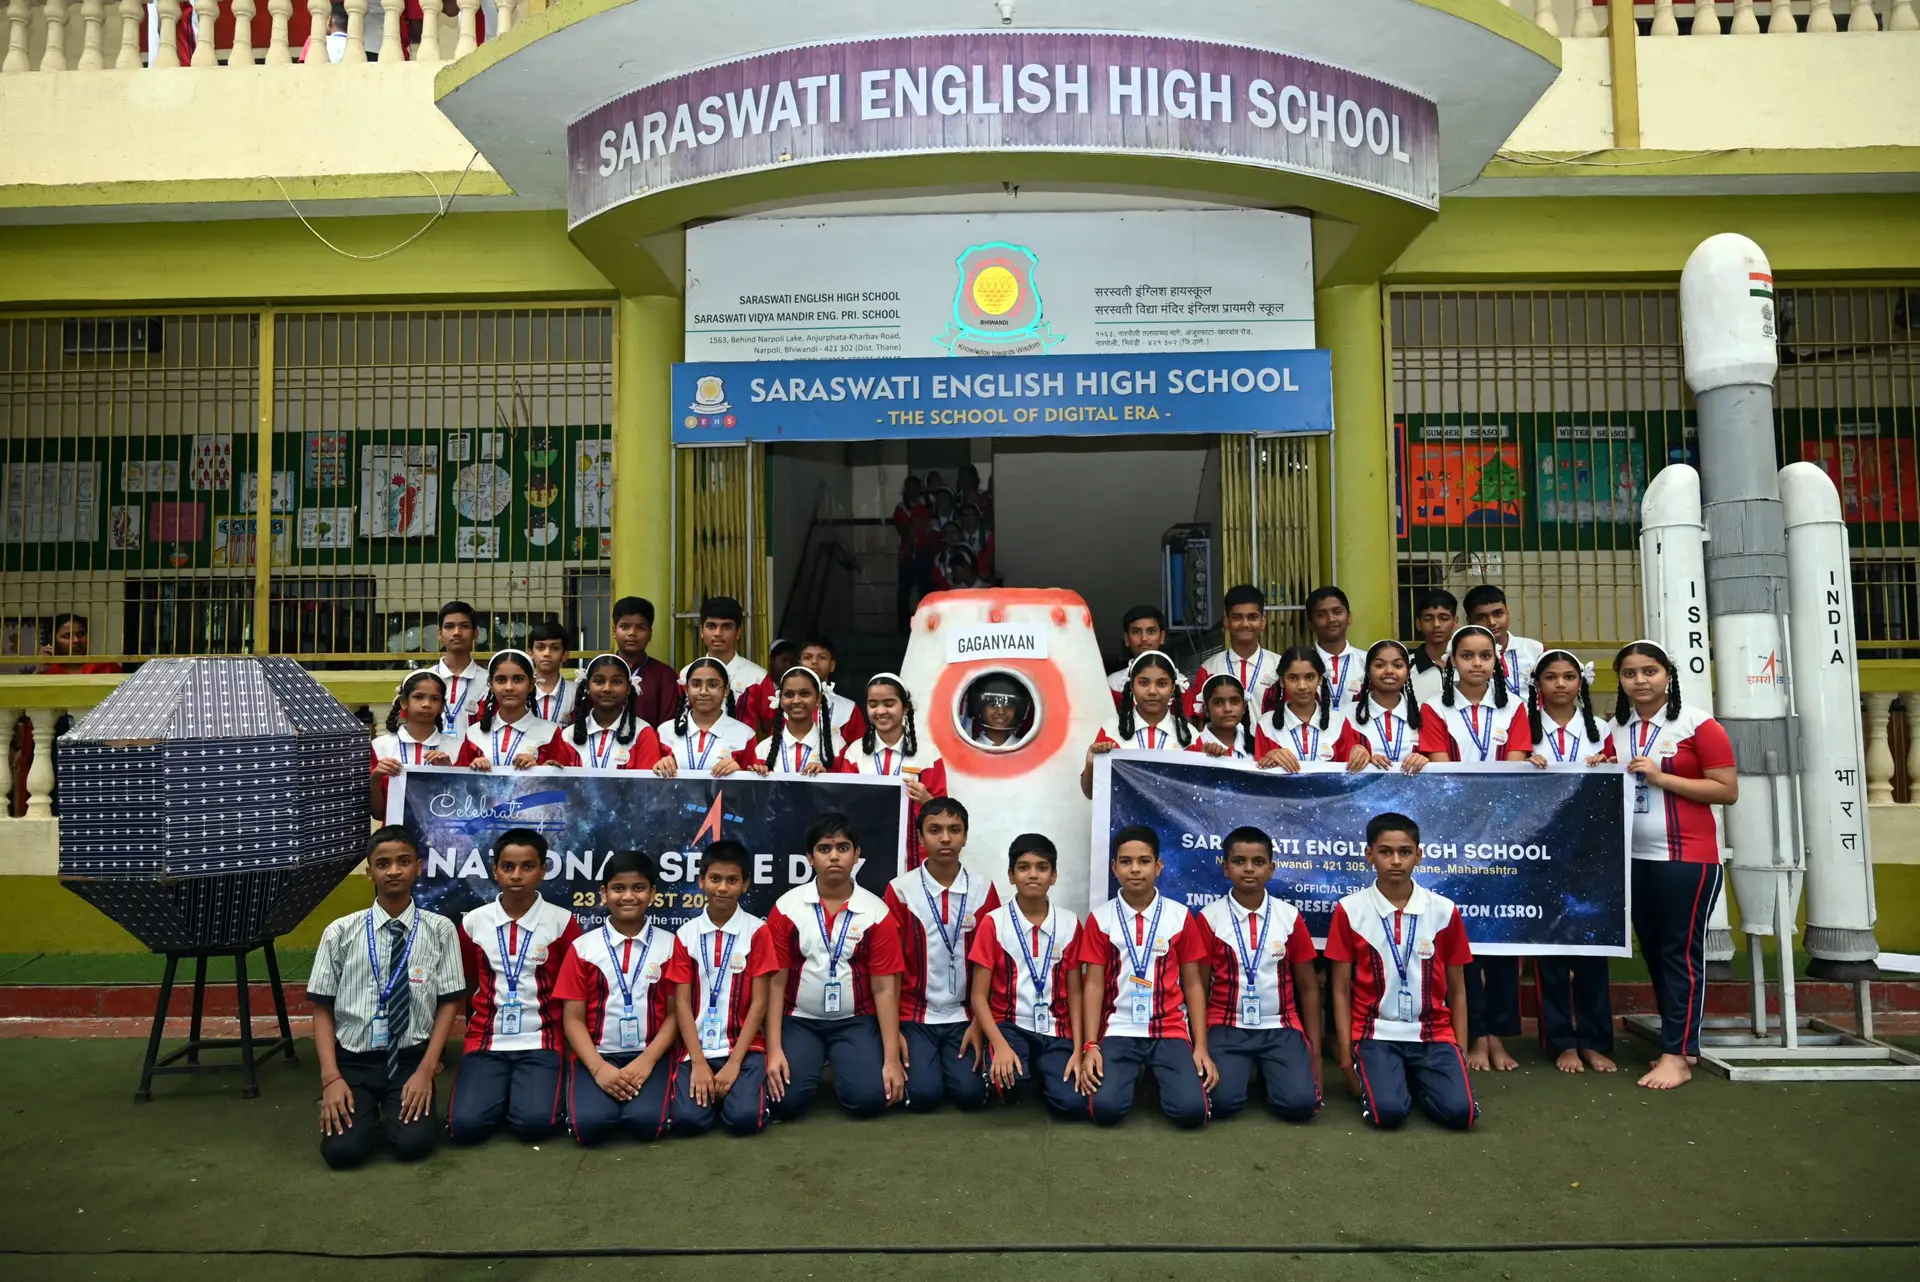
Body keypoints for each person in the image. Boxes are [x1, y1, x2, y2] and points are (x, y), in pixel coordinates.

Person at [1596, 640, 1737, 1091]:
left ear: (1668, 675)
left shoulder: (1698, 724)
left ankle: (1678, 1055)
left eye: (1650, 671)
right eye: (1630, 673)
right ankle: (1679, 1044)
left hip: (1686, 858)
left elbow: (1726, 790)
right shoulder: (1616, 729)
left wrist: (1661, 777)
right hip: (1633, 859)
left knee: (1679, 953)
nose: (1640, 680)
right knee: (1655, 951)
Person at [310, 826, 466, 1169]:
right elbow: (322, 1008)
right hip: (354, 1060)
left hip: (410, 1060)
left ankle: (393, 1111)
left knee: (414, 1144)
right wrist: (331, 1078)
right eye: (383, 864)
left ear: (418, 867)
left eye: (403, 861)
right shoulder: (340, 932)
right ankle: (362, 1112)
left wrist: (426, 1069)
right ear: (370, 873)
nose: (393, 870)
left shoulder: (440, 930)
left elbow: (449, 1002)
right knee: (342, 1153)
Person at [1414, 624, 1532, 1072]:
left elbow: (1514, 770)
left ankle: (1497, 1037)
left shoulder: (1514, 707)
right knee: (1463, 942)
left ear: (1496, 661)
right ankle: (1472, 1034)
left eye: (1485, 655)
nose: (1477, 663)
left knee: (1500, 941)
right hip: (1455, 837)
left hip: (1502, 838)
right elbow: (1446, 772)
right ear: (1452, 661)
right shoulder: (1434, 707)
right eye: (1467, 655)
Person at [1325, 813, 1478, 1131]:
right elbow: (1339, 990)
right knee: (1388, 1114)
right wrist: (1345, 1056)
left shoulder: (1444, 910)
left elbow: (1458, 989)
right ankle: (1394, 1078)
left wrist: (1460, 1049)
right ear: (1370, 855)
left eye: (1405, 852)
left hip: (1433, 1033)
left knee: (1461, 1115)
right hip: (1374, 1033)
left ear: (1418, 856)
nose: (1396, 860)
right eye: (1385, 851)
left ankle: (1414, 1078)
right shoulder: (1350, 910)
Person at [764, 813, 908, 1120]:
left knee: (870, 1100)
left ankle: (851, 1068)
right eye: (824, 849)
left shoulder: (877, 913)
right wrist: (773, 1049)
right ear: (810, 857)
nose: (833, 856)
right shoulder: (786, 909)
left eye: (842, 848)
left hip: (855, 1021)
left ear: (856, 855)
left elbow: (885, 989)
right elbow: (775, 983)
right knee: (783, 1103)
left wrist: (891, 1059)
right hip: (799, 1020)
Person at [1074, 825, 1214, 1128]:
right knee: (1105, 1110)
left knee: (1191, 1112)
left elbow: (1193, 985)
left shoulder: (1180, 917)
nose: (1135, 869)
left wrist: (1200, 1046)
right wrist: (1090, 1045)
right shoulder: (1100, 919)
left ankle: (1156, 1076)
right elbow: (1093, 985)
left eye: (1144, 861)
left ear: (1158, 866)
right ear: (1114, 868)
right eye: (1126, 862)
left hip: (1169, 1028)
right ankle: (1136, 1075)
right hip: (1119, 1027)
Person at [448, 829, 581, 1144]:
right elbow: (467, 981)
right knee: (465, 1127)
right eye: (508, 867)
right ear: (495, 870)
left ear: (543, 870)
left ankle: (525, 1092)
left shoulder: (562, 922)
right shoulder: (473, 923)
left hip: (542, 1041)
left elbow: (574, 990)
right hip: (486, 1042)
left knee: (534, 1125)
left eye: (527, 866)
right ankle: (497, 1090)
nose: (517, 875)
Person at [1526, 650, 1619, 1074]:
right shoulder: (1525, 729)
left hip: (1593, 850)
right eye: (1551, 677)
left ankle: (1595, 1040)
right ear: (1538, 684)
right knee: (1550, 949)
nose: (1560, 684)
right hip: (1543, 850)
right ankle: (1561, 1040)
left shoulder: (1603, 730)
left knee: (1593, 946)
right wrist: (1523, 763)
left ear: (1581, 682)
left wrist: (1608, 764)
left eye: (1568, 676)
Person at [556, 850, 682, 1143]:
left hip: (650, 1055)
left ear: (653, 893)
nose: (628, 896)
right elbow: (572, 1020)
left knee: (647, 1124)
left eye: (638, 888)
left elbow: (676, 1014)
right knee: (589, 1127)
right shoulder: (583, 948)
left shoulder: (671, 946)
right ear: (604, 893)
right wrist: (599, 1068)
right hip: (597, 1054)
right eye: (618, 888)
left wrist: (647, 1061)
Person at [1198, 827, 1322, 1122]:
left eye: (1258, 862)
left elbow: (1309, 987)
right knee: (1220, 1103)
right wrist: (1199, 1044)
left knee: (1300, 1105)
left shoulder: (1289, 917)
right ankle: (1249, 1071)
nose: (1249, 869)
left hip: (1280, 1024)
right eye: (1239, 861)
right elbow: (1197, 987)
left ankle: (1275, 1072)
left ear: (1271, 868)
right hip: (1226, 1024)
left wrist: (1315, 1052)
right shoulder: (1209, 918)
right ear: (1225, 867)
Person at [884, 798, 999, 1112]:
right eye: (935, 830)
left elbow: (993, 965)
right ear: (920, 838)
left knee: (970, 1096)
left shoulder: (983, 890)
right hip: (914, 1015)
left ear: (965, 836)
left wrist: (980, 1024)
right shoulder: (900, 891)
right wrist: (894, 1032)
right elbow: (889, 969)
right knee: (923, 1096)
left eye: (954, 830)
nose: (945, 838)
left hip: (965, 1016)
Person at [969, 833, 1088, 1116]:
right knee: (1009, 1086)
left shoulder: (1070, 923)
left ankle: (1045, 1075)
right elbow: (978, 996)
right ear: (1011, 875)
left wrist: (1078, 1049)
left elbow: (1075, 992)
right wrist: (998, 1044)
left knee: (1073, 1105)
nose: (1033, 875)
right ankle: (1020, 1070)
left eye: (1042, 868)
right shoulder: (993, 922)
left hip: (1057, 1029)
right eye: (1023, 867)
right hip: (1010, 1026)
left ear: (1053, 876)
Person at [667, 841, 777, 1136]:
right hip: (697, 1048)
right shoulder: (685, 935)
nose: (723, 888)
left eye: (732, 880)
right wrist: (698, 1062)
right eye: (715, 879)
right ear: (701, 881)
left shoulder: (757, 931)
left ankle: (740, 1095)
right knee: (688, 1122)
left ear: (745, 885)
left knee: (744, 1120)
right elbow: (682, 1004)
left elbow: (760, 1002)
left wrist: (734, 1062)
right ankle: (712, 1094)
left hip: (744, 1048)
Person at [833, 674, 947, 870]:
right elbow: (845, 805)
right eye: (873, 704)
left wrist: (927, 800)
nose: (880, 711)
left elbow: (945, 812)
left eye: (889, 703)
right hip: (867, 851)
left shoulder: (928, 753)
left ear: (905, 708)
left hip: (915, 856)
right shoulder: (855, 752)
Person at [1082, 651, 1192, 797]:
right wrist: (1091, 761)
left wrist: (1215, 756)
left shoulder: (1190, 735)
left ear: (1172, 688)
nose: (1152, 691)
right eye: (1143, 683)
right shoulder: (1110, 731)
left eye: (1162, 684)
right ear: (1132, 687)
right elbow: (1090, 793)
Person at [454, 649, 581, 771]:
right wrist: (474, 770)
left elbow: (568, 780)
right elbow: (459, 782)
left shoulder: (550, 733)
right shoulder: (474, 734)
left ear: (531, 684)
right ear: (490, 685)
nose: (509, 687)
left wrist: (540, 771)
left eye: (518, 679)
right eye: (501, 680)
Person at [369, 671, 460, 819]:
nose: (426, 704)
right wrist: (375, 779)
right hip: (394, 832)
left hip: (443, 831)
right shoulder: (380, 746)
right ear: (404, 702)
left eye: (435, 699)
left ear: (442, 706)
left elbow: (463, 806)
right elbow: (378, 814)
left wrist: (448, 772)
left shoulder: (457, 748)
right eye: (418, 697)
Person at [1186, 585, 1282, 721]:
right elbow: (1200, 718)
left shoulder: (1279, 666)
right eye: (1237, 617)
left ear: (1263, 622)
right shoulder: (1209, 668)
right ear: (1226, 621)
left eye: (1252, 617)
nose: (1245, 624)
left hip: (1269, 736)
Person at [652, 656, 759, 776]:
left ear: (726, 690)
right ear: (686, 689)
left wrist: (739, 773)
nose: (703, 692)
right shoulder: (664, 732)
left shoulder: (745, 735)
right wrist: (659, 766)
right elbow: (649, 780)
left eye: (712, 685)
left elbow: (753, 783)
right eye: (696, 684)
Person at [1334, 640, 1425, 774]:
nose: (1389, 671)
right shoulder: (1345, 715)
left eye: (1398, 665)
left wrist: (1425, 759)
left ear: (1408, 672)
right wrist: (1363, 759)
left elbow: (1438, 759)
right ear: (1368, 671)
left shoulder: (1423, 712)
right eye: (1379, 665)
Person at [567, 654, 666, 771]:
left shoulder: (643, 733)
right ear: (587, 687)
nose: (607, 688)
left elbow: (646, 781)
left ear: (628, 688)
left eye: (617, 682)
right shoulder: (568, 735)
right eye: (599, 681)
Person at [688, 596, 770, 732]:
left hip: (744, 745)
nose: (718, 633)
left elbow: (772, 727)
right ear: (702, 631)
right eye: (711, 626)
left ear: (738, 632)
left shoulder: (757, 677)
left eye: (726, 626)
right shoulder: (686, 675)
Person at [1264, 646, 1350, 771]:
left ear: (1320, 679)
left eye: (1309, 677)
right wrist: (1267, 757)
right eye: (1293, 678)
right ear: (1282, 681)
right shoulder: (1266, 725)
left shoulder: (1339, 722)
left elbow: (1350, 773)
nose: (1302, 686)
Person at [1465, 585, 1544, 704]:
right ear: (1469, 621)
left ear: (1507, 613)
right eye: (1482, 617)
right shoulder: (1464, 658)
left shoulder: (1535, 650)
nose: (1492, 622)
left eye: (1498, 614)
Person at [1185, 672, 1284, 765]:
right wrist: (1200, 760)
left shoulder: (1257, 746)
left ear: (1244, 707)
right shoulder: (1191, 748)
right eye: (1218, 702)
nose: (1227, 709)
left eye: (1235, 701)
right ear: (1206, 709)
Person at [756, 667, 839, 776]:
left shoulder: (837, 746)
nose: (796, 701)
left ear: (818, 698)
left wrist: (825, 777)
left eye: (804, 694)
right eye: (789, 695)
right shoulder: (763, 749)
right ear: (780, 699)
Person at [613, 597, 679, 730]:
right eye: (625, 627)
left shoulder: (665, 676)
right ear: (614, 632)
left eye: (641, 628)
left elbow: (667, 728)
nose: (632, 633)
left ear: (650, 634)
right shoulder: (598, 673)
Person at [430, 600, 489, 735]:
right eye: (449, 626)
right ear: (440, 634)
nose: (457, 632)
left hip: (474, 749)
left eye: (464, 626)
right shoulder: (426, 679)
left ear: (475, 633)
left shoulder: (488, 682)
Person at [798, 636, 867, 747]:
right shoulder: (786, 705)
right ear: (799, 664)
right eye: (807, 657)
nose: (814, 662)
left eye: (822, 657)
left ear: (832, 665)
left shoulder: (848, 708)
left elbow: (859, 750)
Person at [1106, 605, 1169, 709]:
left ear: (1162, 637)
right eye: (1136, 632)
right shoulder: (1113, 683)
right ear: (1127, 639)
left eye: (1151, 631)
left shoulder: (1180, 683)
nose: (1144, 638)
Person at [1409, 589, 1459, 708]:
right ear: (1418, 623)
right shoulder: (1405, 667)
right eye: (1428, 619)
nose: (1436, 624)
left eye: (1444, 618)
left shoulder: (1469, 664)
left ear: (1455, 621)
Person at [526, 621, 577, 724]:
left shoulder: (576, 692)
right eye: (540, 647)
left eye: (555, 648)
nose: (547, 653)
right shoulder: (521, 690)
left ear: (565, 655)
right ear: (531, 653)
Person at [963, 672, 1030, 748]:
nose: (1001, 712)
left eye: (1008, 706)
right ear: (980, 708)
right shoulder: (967, 749)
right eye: (993, 705)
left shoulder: (1030, 750)